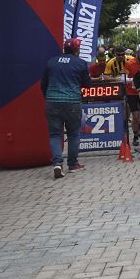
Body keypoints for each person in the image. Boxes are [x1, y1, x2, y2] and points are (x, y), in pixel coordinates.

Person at [41, 38, 91, 179]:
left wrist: (48, 97)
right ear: (76, 50)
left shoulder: (51, 62)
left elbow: (43, 83)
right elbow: (87, 84)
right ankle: (73, 164)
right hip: (72, 103)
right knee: (73, 134)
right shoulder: (80, 63)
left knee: (55, 135)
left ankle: (57, 163)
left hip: (52, 102)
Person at [105, 47, 140, 145]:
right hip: (119, 88)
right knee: (127, 111)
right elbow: (106, 76)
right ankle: (125, 127)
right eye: (119, 55)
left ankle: (138, 127)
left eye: (123, 54)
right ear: (115, 54)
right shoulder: (111, 63)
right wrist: (116, 79)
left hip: (133, 88)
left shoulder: (130, 59)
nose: (121, 57)